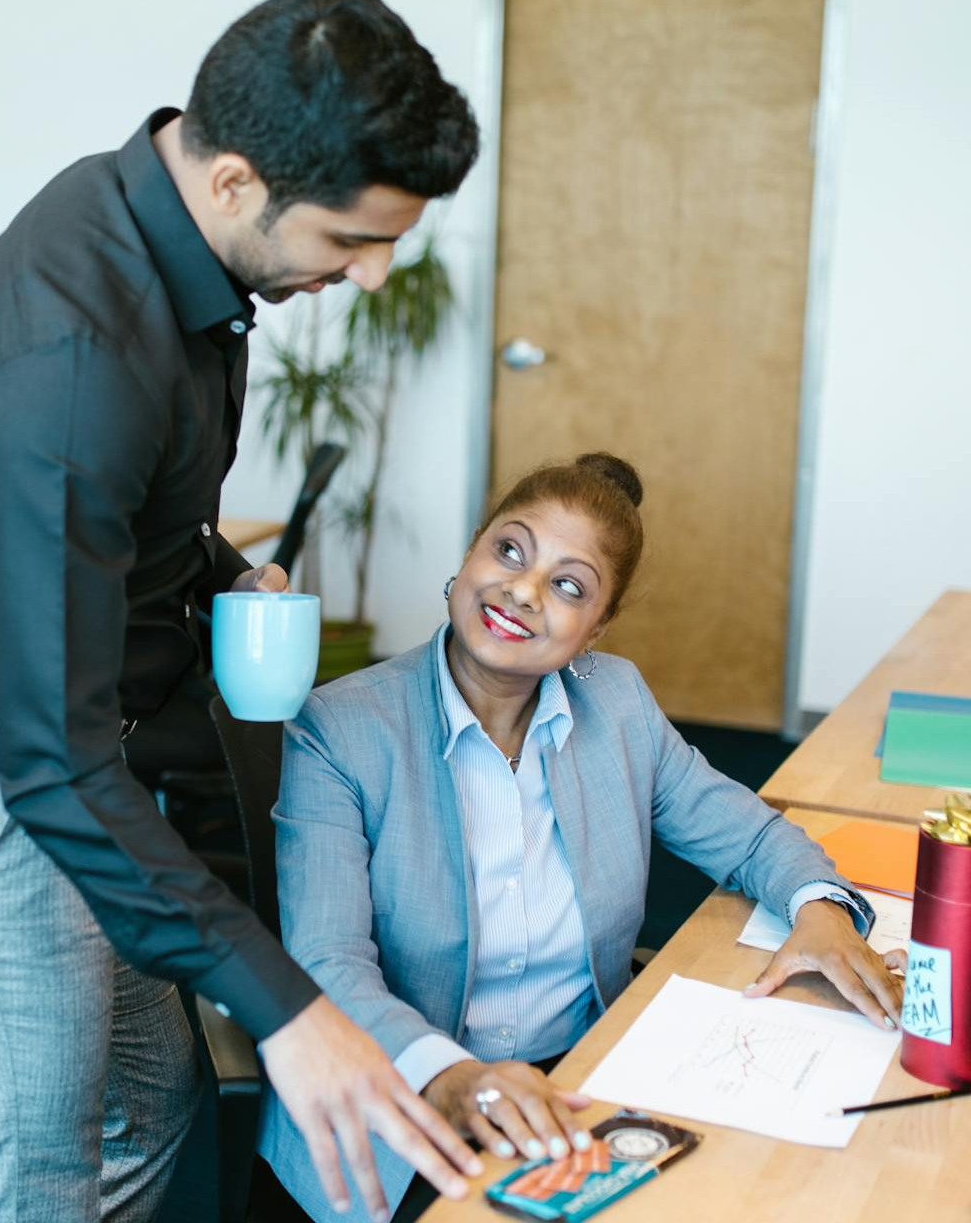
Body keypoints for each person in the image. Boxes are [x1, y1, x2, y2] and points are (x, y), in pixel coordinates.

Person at [0, 0, 483, 1223]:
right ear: (234, 181)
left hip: (59, 747)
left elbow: (133, 518)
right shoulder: (69, 358)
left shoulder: (164, 227)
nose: (372, 272)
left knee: (150, 1099)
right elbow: (52, 764)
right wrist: (290, 1009)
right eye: (351, 238)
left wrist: (222, 571)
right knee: (35, 1178)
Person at [260, 452, 906, 1223]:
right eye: (509, 551)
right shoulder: (341, 728)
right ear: (470, 552)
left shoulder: (617, 704)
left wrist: (820, 908)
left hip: (581, 1080)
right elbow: (326, 964)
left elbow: (746, 834)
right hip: (405, 1102)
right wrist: (452, 1076)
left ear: (595, 628)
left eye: (569, 586)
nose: (523, 591)